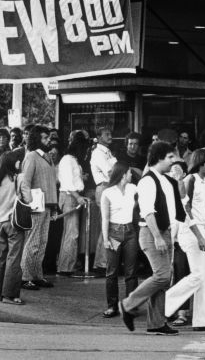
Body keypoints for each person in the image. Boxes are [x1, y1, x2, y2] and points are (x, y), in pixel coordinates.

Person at [119, 141, 183, 335]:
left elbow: (179, 203)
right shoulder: (148, 181)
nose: (174, 160)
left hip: (165, 232)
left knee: (164, 278)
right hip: (152, 232)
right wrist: (157, 236)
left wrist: (179, 179)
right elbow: (147, 211)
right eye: (170, 157)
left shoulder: (166, 179)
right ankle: (128, 305)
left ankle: (156, 323)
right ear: (159, 158)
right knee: (162, 275)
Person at [165, 149, 205, 331]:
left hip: (200, 230)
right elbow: (185, 209)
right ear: (201, 162)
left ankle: (204, 320)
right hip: (191, 232)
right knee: (199, 275)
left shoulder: (204, 182)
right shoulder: (191, 180)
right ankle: (163, 304)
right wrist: (198, 235)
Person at [0, 150, 29, 305]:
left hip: (0, 222)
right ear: (15, 163)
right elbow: (28, 199)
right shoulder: (20, 178)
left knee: (0, 258)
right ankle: (10, 295)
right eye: (19, 160)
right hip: (14, 222)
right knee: (14, 258)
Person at [21, 126, 58, 290]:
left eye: (48, 137)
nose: (48, 140)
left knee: (42, 242)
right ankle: (25, 276)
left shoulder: (48, 157)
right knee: (33, 242)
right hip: (36, 205)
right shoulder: (31, 157)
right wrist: (29, 203)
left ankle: (37, 275)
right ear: (36, 139)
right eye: (44, 138)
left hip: (48, 204)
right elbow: (25, 182)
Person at [101, 160, 139, 318]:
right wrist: (105, 239)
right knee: (112, 272)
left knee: (131, 271)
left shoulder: (133, 188)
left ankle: (130, 305)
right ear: (123, 175)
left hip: (130, 231)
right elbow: (105, 218)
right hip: (114, 232)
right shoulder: (107, 193)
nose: (131, 174)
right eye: (129, 172)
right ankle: (112, 305)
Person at [57, 131, 91, 276]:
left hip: (72, 195)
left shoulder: (72, 160)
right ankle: (66, 267)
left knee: (71, 232)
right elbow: (67, 182)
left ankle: (67, 264)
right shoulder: (67, 160)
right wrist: (78, 197)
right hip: (70, 197)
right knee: (72, 233)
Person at [90, 125, 118, 271]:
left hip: (110, 187)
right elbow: (111, 172)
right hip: (104, 187)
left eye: (110, 133)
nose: (110, 136)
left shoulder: (108, 152)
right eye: (106, 134)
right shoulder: (98, 153)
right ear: (99, 137)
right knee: (105, 226)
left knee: (109, 225)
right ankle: (101, 263)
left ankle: (105, 261)